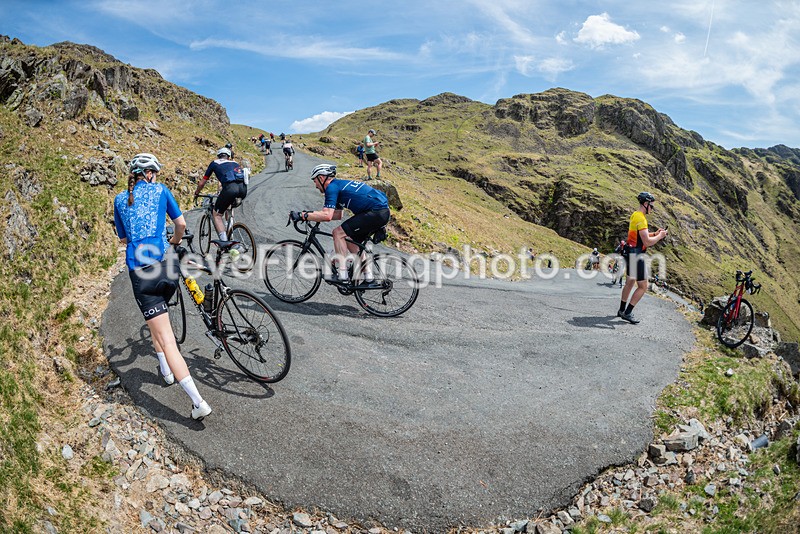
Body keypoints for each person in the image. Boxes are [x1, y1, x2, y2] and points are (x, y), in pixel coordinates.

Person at [113, 153, 212, 420]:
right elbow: (180, 224)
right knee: (161, 327)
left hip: (141, 273)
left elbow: (123, 238)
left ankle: (198, 401)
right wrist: (175, 243)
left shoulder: (120, 199)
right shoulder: (161, 190)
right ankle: (166, 372)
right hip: (167, 267)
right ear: (150, 173)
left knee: (165, 336)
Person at [290, 164, 389, 282]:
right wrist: (310, 215)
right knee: (350, 240)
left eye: (315, 181)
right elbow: (337, 214)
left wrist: (303, 216)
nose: (315, 185)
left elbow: (327, 216)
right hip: (380, 212)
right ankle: (368, 277)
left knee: (338, 233)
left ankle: (342, 274)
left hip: (376, 211)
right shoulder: (338, 185)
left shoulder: (331, 188)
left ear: (321, 178)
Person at [617, 192, 668, 324]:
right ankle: (627, 313)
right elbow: (647, 242)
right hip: (637, 255)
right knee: (643, 286)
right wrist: (660, 236)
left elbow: (641, 236)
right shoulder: (642, 219)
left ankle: (621, 310)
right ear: (646, 204)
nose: (652, 208)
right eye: (652, 206)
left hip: (630, 252)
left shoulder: (635, 215)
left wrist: (655, 233)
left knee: (629, 282)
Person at [194, 147, 247, 242]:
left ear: (218, 156)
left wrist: (197, 193)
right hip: (243, 190)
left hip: (230, 189)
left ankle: (224, 242)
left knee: (217, 215)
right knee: (228, 206)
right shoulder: (234, 163)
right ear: (229, 156)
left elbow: (202, 183)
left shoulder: (214, 163)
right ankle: (229, 229)